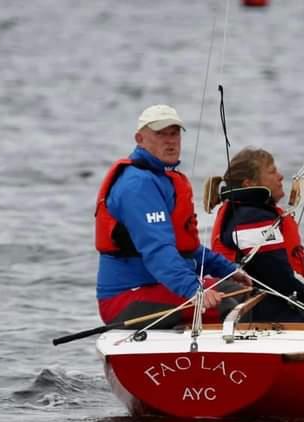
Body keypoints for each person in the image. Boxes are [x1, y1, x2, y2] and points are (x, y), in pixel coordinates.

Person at [95, 104, 250, 327]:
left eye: (174, 133)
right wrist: (194, 291)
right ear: (139, 139)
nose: (170, 140)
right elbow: (158, 251)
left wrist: (229, 270)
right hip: (126, 298)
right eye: (160, 134)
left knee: (240, 293)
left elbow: (187, 248)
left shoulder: (163, 179)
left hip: (161, 287)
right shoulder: (137, 185)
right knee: (228, 307)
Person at [203, 147, 304, 323]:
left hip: (263, 309)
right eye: (272, 172)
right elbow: (280, 278)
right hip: (261, 315)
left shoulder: (241, 212)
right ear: (249, 184)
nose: (281, 176)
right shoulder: (250, 218)